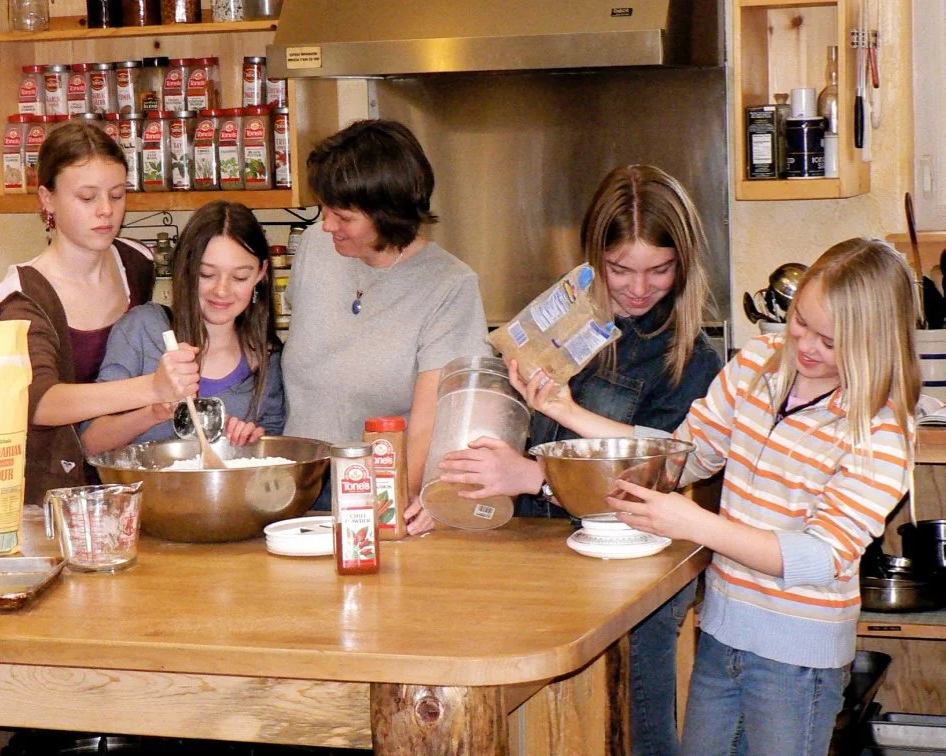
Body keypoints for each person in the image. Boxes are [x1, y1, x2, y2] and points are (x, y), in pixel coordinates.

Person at [512, 237, 918, 755]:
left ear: (875, 345)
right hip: (723, 634)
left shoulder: (881, 430)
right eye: (801, 323)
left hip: (797, 664)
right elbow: (682, 455)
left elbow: (820, 558)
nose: (807, 346)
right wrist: (565, 410)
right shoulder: (760, 365)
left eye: (832, 342)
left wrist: (695, 524)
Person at [439, 164, 723, 755]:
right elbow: (518, 417)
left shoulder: (688, 359)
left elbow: (655, 481)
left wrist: (533, 477)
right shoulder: (565, 318)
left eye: (659, 270)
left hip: (633, 574)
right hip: (539, 553)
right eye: (620, 270)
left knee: (636, 725)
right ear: (593, 258)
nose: (640, 289)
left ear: (685, 263)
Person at [281, 118, 490, 529]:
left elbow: (431, 419)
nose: (326, 225)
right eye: (325, 209)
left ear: (388, 214)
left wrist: (397, 503)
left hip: (376, 491)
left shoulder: (449, 285)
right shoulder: (315, 248)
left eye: (343, 217)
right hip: (296, 485)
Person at [0, 121, 198, 505]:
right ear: (47, 199)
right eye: (87, 197)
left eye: (117, 195)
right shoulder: (21, 297)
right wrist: (153, 386)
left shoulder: (137, 263)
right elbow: (40, 402)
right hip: (47, 492)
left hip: (123, 478)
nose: (106, 211)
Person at [81, 201, 285, 453]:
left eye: (240, 277)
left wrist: (250, 443)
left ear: (261, 273)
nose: (221, 290)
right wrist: (153, 412)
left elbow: (272, 453)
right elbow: (90, 442)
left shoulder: (267, 357)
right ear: (186, 268)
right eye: (207, 274)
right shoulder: (143, 329)